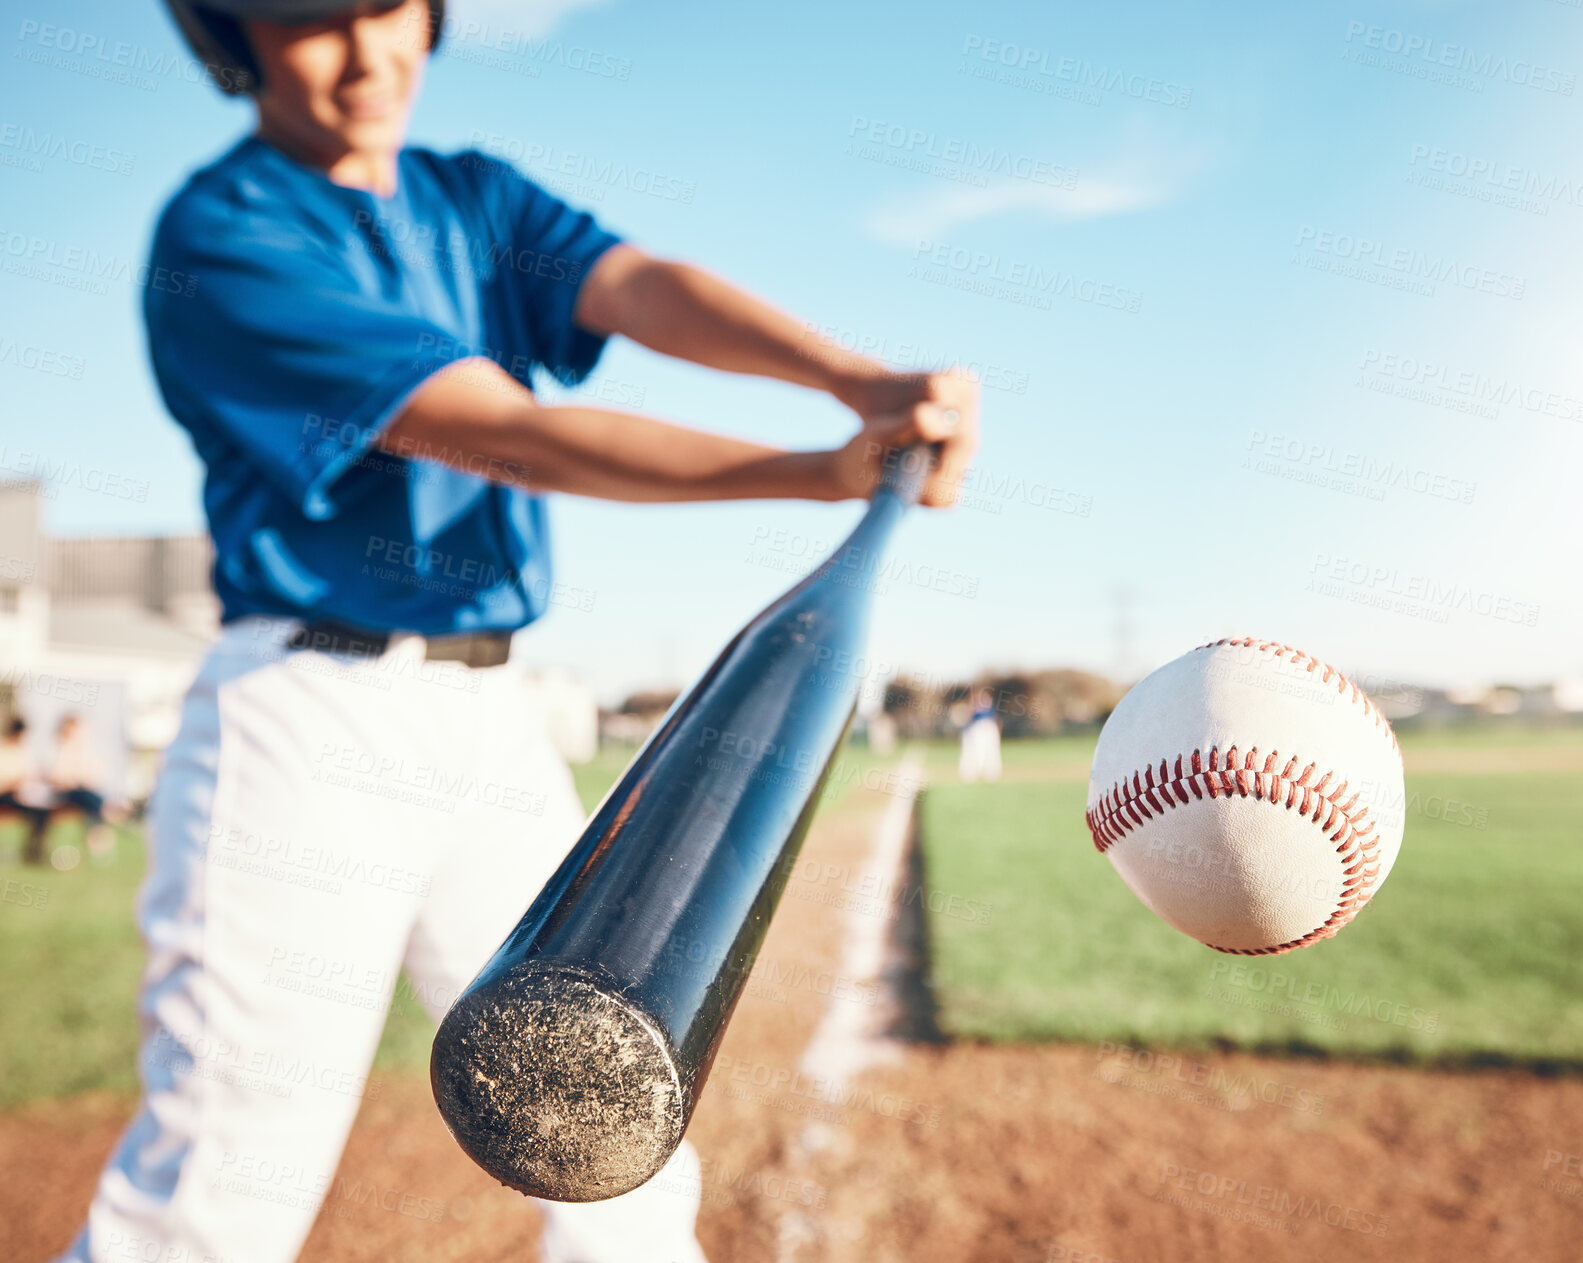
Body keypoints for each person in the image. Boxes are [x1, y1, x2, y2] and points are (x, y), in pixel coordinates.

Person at [59, 3, 980, 1263]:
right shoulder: (224, 234)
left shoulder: (470, 198)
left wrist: (852, 380)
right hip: (307, 725)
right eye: (312, 24)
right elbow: (500, 428)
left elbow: (640, 287)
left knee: (620, 1140)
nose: (366, 58)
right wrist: (819, 468)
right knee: (225, 1178)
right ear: (238, 37)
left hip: (490, 723)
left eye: (385, 11)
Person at [47, 714, 118, 860]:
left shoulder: (84, 750)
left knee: (93, 805)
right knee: (94, 802)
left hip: (85, 791)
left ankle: (98, 836)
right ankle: (100, 836)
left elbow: (96, 773)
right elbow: (58, 776)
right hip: (68, 793)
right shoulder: (62, 748)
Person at [0, 717, 52, 864]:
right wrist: (15, 783)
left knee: (42, 812)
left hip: (24, 794)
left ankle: (34, 851)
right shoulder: (3, 751)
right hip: (5, 795)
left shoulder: (23, 752)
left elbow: (32, 775)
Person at [958, 688, 1002, 783]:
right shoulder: (974, 708)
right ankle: (974, 772)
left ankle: (990, 772)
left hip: (988, 729)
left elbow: (996, 720)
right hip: (977, 730)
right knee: (977, 751)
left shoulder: (989, 709)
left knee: (991, 751)